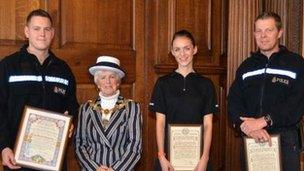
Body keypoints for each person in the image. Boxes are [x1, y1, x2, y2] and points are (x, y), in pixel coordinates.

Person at [0, 9, 79, 171]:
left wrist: (70, 121)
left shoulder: (63, 70)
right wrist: (4, 146)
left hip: (53, 159)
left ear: (52, 33)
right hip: (17, 159)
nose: (42, 34)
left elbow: (72, 105)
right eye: (36, 28)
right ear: (27, 32)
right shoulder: (8, 66)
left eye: (47, 29)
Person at [228, 12, 304, 171]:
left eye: (269, 30)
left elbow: (297, 102)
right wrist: (246, 126)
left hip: (285, 140)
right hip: (252, 138)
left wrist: (264, 121)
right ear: (254, 34)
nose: (263, 36)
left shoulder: (296, 63)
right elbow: (233, 102)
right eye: (259, 31)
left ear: (279, 33)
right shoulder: (246, 66)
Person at [149, 29, 218, 171]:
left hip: (198, 160)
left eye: (187, 48)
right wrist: (161, 156)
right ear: (172, 52)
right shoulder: (163, 83)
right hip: (169, 159)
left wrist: (205, 158)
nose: (182, 54)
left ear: (195, 49)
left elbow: (208, 125)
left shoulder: (206, 84)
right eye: (177, 49)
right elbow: (160, 123)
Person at [74, 56, 142, 171]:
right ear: (97, 82)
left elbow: (135, 146)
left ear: (118, 81)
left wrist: (115, 169)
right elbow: (79, 144)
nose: (107, 82)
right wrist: (95, 168)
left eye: (112, 77)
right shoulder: (85, 108)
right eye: (103, 77)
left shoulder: (132, 107)